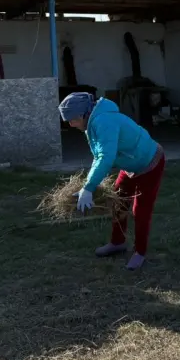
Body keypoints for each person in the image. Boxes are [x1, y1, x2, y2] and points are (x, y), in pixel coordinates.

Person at [58, 92, 165, 271]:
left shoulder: (103, 122)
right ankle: (118, 242)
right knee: (118, 202)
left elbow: (105, 156)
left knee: (140, 210)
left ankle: (140, 252)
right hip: (130, 165)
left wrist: (89, 187)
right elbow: (100, 154)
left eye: (72, 119)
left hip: (150, 162)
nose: (70, 124)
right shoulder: (92, 122)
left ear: (82, 114)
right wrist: (88, 184)